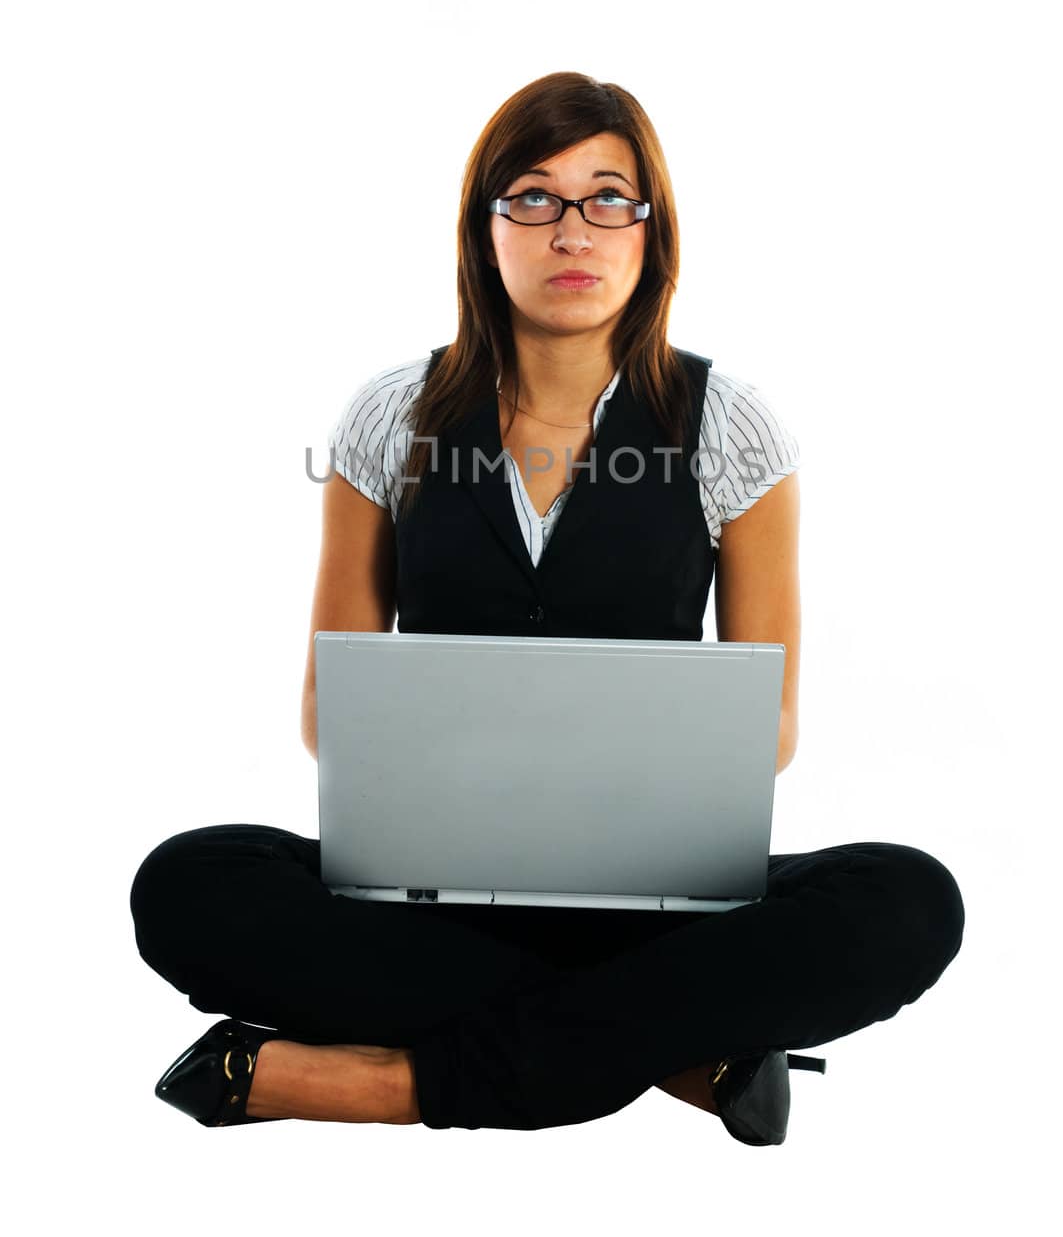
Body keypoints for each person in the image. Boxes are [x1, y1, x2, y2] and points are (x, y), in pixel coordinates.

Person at [129, 71, 964, 1141]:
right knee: (189, 881)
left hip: (657, 899)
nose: (573, 229)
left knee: (906, 900)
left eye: (607, 197)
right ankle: (674, 1050)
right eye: (534, 196)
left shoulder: (732, 425)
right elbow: (327, 712)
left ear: (649, 232)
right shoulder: (393, 416)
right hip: (430, 898)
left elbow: (773, 730)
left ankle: (365, 1083)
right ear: (485, 229)